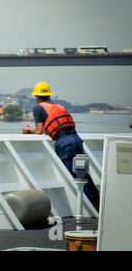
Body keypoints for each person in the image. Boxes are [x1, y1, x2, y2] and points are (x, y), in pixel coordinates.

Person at [22, 81, 100, 210]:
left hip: (64, 142)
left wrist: (27, 130)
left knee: (73, 176)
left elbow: (39, 131)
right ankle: (98, 204)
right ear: (49, 95)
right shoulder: (59, 106)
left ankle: (94, 209)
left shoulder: (37, 108)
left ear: (37, 96)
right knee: (83, 174)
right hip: (76, 139)